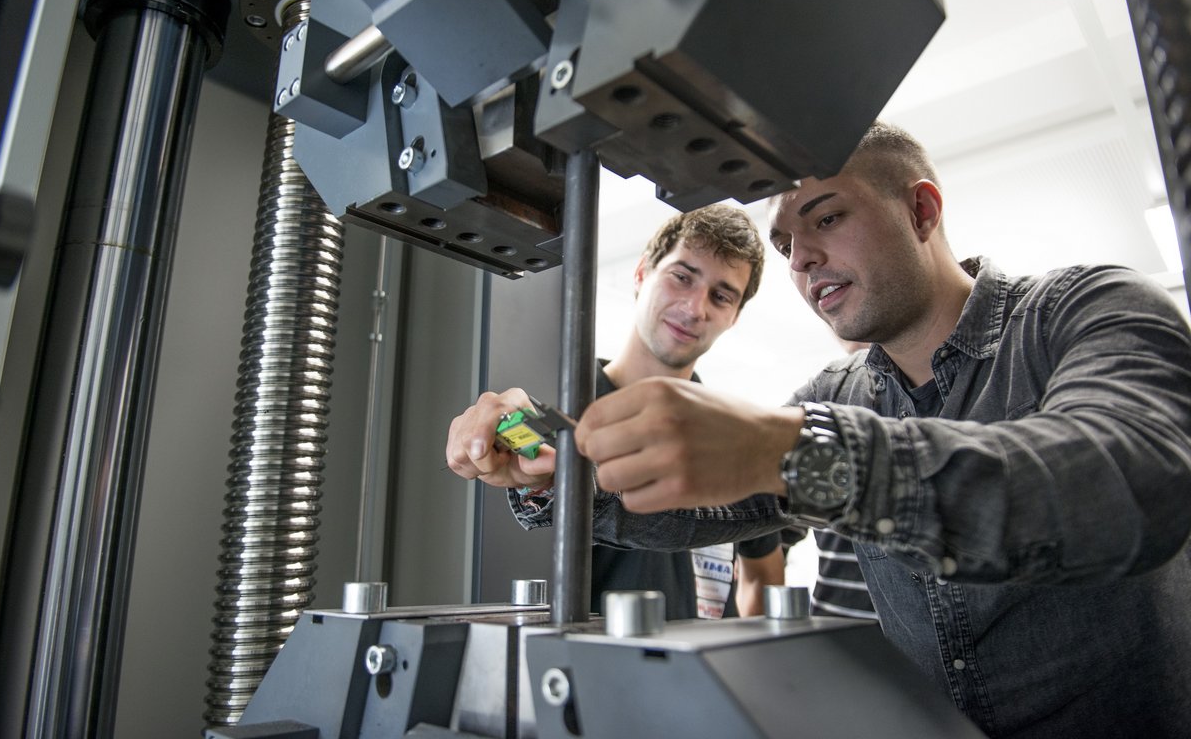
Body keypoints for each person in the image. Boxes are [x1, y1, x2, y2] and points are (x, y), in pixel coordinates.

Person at [467, 122, 1191, 738]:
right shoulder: (832, 396)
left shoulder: (1087, 309)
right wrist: (556, 474)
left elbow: (1129, 483)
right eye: (784, 243)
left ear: (922, 210)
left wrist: (792, 451)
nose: (801, 258)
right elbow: (701, 510)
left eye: (826, 217)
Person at [447, 203, 785, 620]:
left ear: (732, 317)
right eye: (682, 277)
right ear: (642, 273)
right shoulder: (567, 410)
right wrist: (501, 426)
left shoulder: (733, 434)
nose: (696, 308)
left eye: (720, 296)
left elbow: (761, 575)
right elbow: (534, 443)